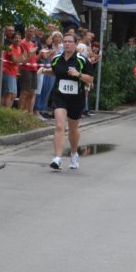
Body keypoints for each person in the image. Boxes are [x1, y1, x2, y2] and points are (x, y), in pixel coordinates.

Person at [43, 32, 94, 170]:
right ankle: (57, 158)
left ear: (75, 44)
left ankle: (74, 153)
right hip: (60, 96)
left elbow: (90, 79)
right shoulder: (56, 58)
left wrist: (79, 74)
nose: (67, 44)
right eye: (65, 41)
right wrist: (45, 70)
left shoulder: (82, 60)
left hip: (76, 98)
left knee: (73, 128)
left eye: (70, 41)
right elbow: (56, 72)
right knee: (59, 126)